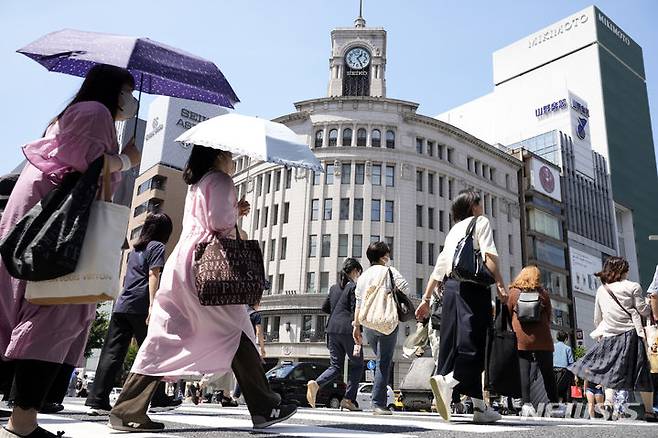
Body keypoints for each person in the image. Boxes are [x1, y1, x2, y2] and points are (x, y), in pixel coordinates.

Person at [108, 145, 296, 432]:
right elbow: (221, 223)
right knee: (236, 328)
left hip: (184, 262)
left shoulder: (198, 183)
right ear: (218, 156)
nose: (232, 160)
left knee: (168, 334)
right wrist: (234, 211)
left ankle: (127, 408)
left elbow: (208, 219)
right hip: (211, 265)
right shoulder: (220, 180)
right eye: (230, 155)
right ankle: (264, 406)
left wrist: (234, 209)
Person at [0, 64, 141, 438]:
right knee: (55, 313)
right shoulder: (95, 114)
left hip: (37, 218)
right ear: (114, 89)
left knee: (23, 311)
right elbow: (87, 166)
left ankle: (22, 416)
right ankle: (23, 421)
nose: (130, 100)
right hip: (58, 226)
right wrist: (128, 160)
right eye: (128, 90)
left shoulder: (72, 113)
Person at [415, 190, 508, 423]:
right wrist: (500, 284)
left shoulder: (454, 230)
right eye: (480, 202)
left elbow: (440, 266)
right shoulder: (481, 222)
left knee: (455, 343)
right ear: (473, 206)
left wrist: (425, 299)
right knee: (476, 343)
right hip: (474, 288)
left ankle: (479, 407)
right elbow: (490, 256)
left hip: (450, 291)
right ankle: (449, 382)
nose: (482, 206)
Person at [85, 213, 179, 415]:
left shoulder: (135, 251)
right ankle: (159, 398)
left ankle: (96, 400)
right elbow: (154, 274)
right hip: (141, 305)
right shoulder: (157, 247)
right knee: (154, 351)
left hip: (122, 304)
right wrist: (153, 304)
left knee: (111, 353)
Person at [568, 256, 657, 422]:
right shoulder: (633, 286)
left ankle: (608, 403)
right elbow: (643, 311)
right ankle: (650, 411)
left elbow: (597, 317)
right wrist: (648, 302)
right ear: (623, 270)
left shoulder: (602, 289)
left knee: (610, 372)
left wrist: (601, 333)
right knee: (641, 372)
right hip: (630, 335)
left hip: (609, 336)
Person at [352, 242, 409, 415]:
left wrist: (356, 327)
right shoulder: (390, 271)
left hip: (368, 322)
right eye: (388, 254)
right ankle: (378, 403)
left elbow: (359, 303)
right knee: (383, 363)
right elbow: (406, 288)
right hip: (386, 321)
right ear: (384, 257)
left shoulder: (363, 277)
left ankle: (377, 400)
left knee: (379, 360)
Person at [307, 258, 364, 411]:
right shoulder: (354, 287)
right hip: (348, 329)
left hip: (332, 329)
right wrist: (358, 329)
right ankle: (348, 399)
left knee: (335, 366)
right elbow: (355, 310)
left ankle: (316, 383)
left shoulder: (333, 288)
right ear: (354, 271)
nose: (358, 275)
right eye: (358, 272)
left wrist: (336, 311)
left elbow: (325, 308)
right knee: (358, 365)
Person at [506, 266, 559, 415]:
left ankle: (526, 403)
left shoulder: (513, 293)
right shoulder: (543, 294)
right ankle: (554, 404)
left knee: (524, 371)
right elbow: (549, 317)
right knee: (548, 372)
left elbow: (507, 314)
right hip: (542, 339)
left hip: (521, 338)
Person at [231, 301, 266, 404]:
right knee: (251, 370)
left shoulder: (242, 313)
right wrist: (262, 349)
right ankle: (238, 395)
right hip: (249, 345)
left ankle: (237, 395)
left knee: (244, 370)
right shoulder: (256, 315)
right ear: (255, 304)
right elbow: (259, 332)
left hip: (236, 343)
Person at [553, 330, 575, 403]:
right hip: (564, 372)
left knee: (555, 391)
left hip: (553, 371)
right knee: (566, 392)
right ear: (566, 339)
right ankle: (566, 408)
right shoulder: (567, 348)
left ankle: (555, 405)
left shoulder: (553, 346)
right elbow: (571, 363)